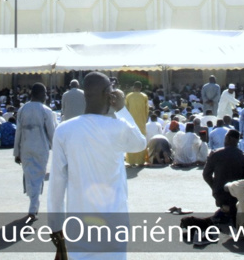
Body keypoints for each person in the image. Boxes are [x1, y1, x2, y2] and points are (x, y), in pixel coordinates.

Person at [47, 72, 148, 259]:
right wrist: (122, 109)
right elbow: (140, 143)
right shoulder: (117, 127)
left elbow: (57, 183)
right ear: (107, 94)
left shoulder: (64, 130)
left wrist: (55, 226)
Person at [14, 83, 56, 221]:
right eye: (45, 94)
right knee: (38, 176)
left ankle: (33, 204)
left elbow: (18, 132)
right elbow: (52, 133)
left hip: (25, 147)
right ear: (40, 94)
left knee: (29, 175)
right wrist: (58, 151)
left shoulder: (22, 109)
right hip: (41, 149)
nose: (46, 96)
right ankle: (33, 208)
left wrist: (16, 152)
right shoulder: (46, 111)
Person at [203, 129, 244, 223]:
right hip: (237, 195)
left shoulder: (215, 154)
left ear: (228, 138)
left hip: (219, 193)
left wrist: (214, 186)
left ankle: (224, 210)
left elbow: (206, 174)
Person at [125, 81, 149, 165]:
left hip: (130, 122)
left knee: (131, 140)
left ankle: (131, 162)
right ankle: (140, 161)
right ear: (141, 88)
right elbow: (147, 110)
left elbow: (126, 109)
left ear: (133, 87)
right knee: (141, 140)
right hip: (141, 123)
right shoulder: (144, 96)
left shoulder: (129, 96)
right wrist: (145, 119)